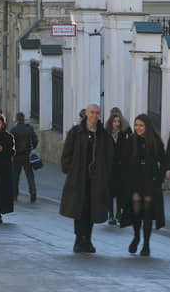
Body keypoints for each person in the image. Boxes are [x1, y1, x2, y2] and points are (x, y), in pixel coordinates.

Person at [59, 103, 113, 254]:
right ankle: (78, 239)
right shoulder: (76, 132)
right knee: (79, 209)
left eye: (97, 113)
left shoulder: (103, 135)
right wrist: (70, 170)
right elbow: (67, 154)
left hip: (96, 180)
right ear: (86, 114)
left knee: (91, 210)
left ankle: (88, 239)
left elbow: (109, 158)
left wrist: (106, 176)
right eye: (92, 113)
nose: (94, 116)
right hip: (78, 178)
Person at [123, 114, 166, 256]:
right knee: (136, 211)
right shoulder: (131, 141)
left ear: (147, 126)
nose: (138, 128)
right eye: (136, 125)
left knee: (147, 213)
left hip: (149, 182)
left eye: (141, 125)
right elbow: (125, 161)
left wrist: (158, 180)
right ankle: (136, 236)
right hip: (135, 182)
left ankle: (146, 244)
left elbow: (164, 162)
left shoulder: (155, 141)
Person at [104, 107, 131, 224]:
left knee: (120, 191)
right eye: (114, 121)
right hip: (109, 167)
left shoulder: (125, 133)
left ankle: (119, 212)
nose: (116, 124)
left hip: (122, 167)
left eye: (118, 121)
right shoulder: (105, 133)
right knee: (109, 192)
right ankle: (110, 214)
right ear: (111, 122)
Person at [10, 112, 39, 203]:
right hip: (27, 155)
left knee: (15, 176)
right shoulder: (29, 128)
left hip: (17, 156)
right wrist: (32, 148)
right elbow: (35, 140)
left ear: (16, 119)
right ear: (24, 119)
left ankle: (14, 195)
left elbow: (10, 143)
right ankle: (33, 193)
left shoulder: (14, 130)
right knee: (30, 176)